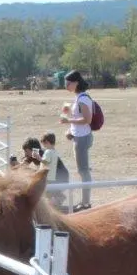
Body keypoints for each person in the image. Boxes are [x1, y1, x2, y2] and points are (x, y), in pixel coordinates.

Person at [59, 69, 94, 211]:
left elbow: (87, 119)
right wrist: (71, 131)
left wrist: (68, 120)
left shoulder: (83, 98)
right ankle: (85, 201)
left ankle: (86, 203)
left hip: (83, 139)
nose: (66, 85)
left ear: (76, 83)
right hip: (80, 136)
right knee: (82, 170)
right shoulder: (79, 97)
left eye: (68, 83)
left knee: (83, 171)